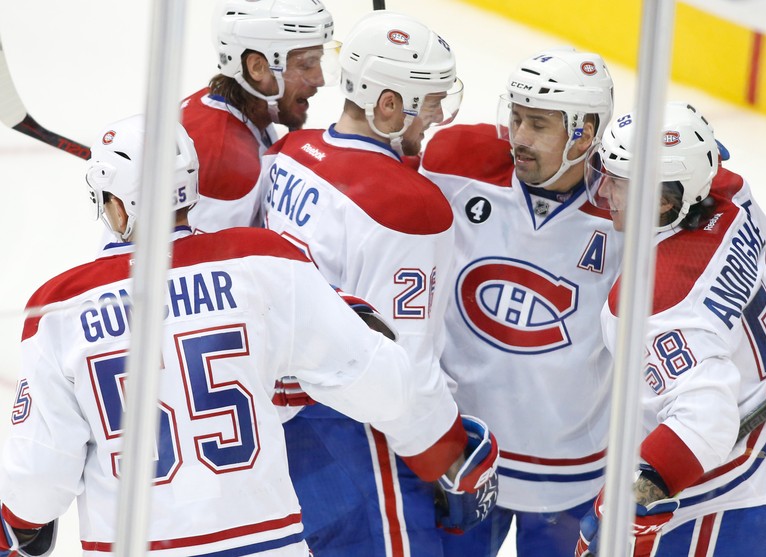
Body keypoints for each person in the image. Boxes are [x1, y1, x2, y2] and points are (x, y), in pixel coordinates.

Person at [0, 114, 495, 556]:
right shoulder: (262, 262)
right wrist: (356, 320)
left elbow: (37, 484)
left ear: (115, 205)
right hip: (265, 542)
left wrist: (15, 526)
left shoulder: (57, 310)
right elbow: (384, 386)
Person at [575, 101, 766, 557]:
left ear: (661, 198)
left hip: (723, 516)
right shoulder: (734, 199)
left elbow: (707, 421)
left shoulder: (649, 296)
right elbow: (756, 285)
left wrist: (640, 492)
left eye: (618, 183)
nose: (606, 193)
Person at [258, 10, 473, 557]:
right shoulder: (409, 208)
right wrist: (444, 452)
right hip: (356, 434)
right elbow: (404, 376)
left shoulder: (292, 151)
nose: (436, 116)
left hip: (282, 422)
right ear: (388, 105)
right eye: (428, 102)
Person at [418, 47, 622, 557]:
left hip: (568, 472)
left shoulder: (626, 210)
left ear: (586, 132)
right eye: (516, 119)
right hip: (461, 453)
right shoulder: (455, 164)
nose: (520, 139)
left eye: (539, 124)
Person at [180, 0, 340, 233]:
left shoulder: (235, 113)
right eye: (306, 65)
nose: (320, 79)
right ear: (257, 67)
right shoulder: (222, 155)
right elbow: (194, 264)